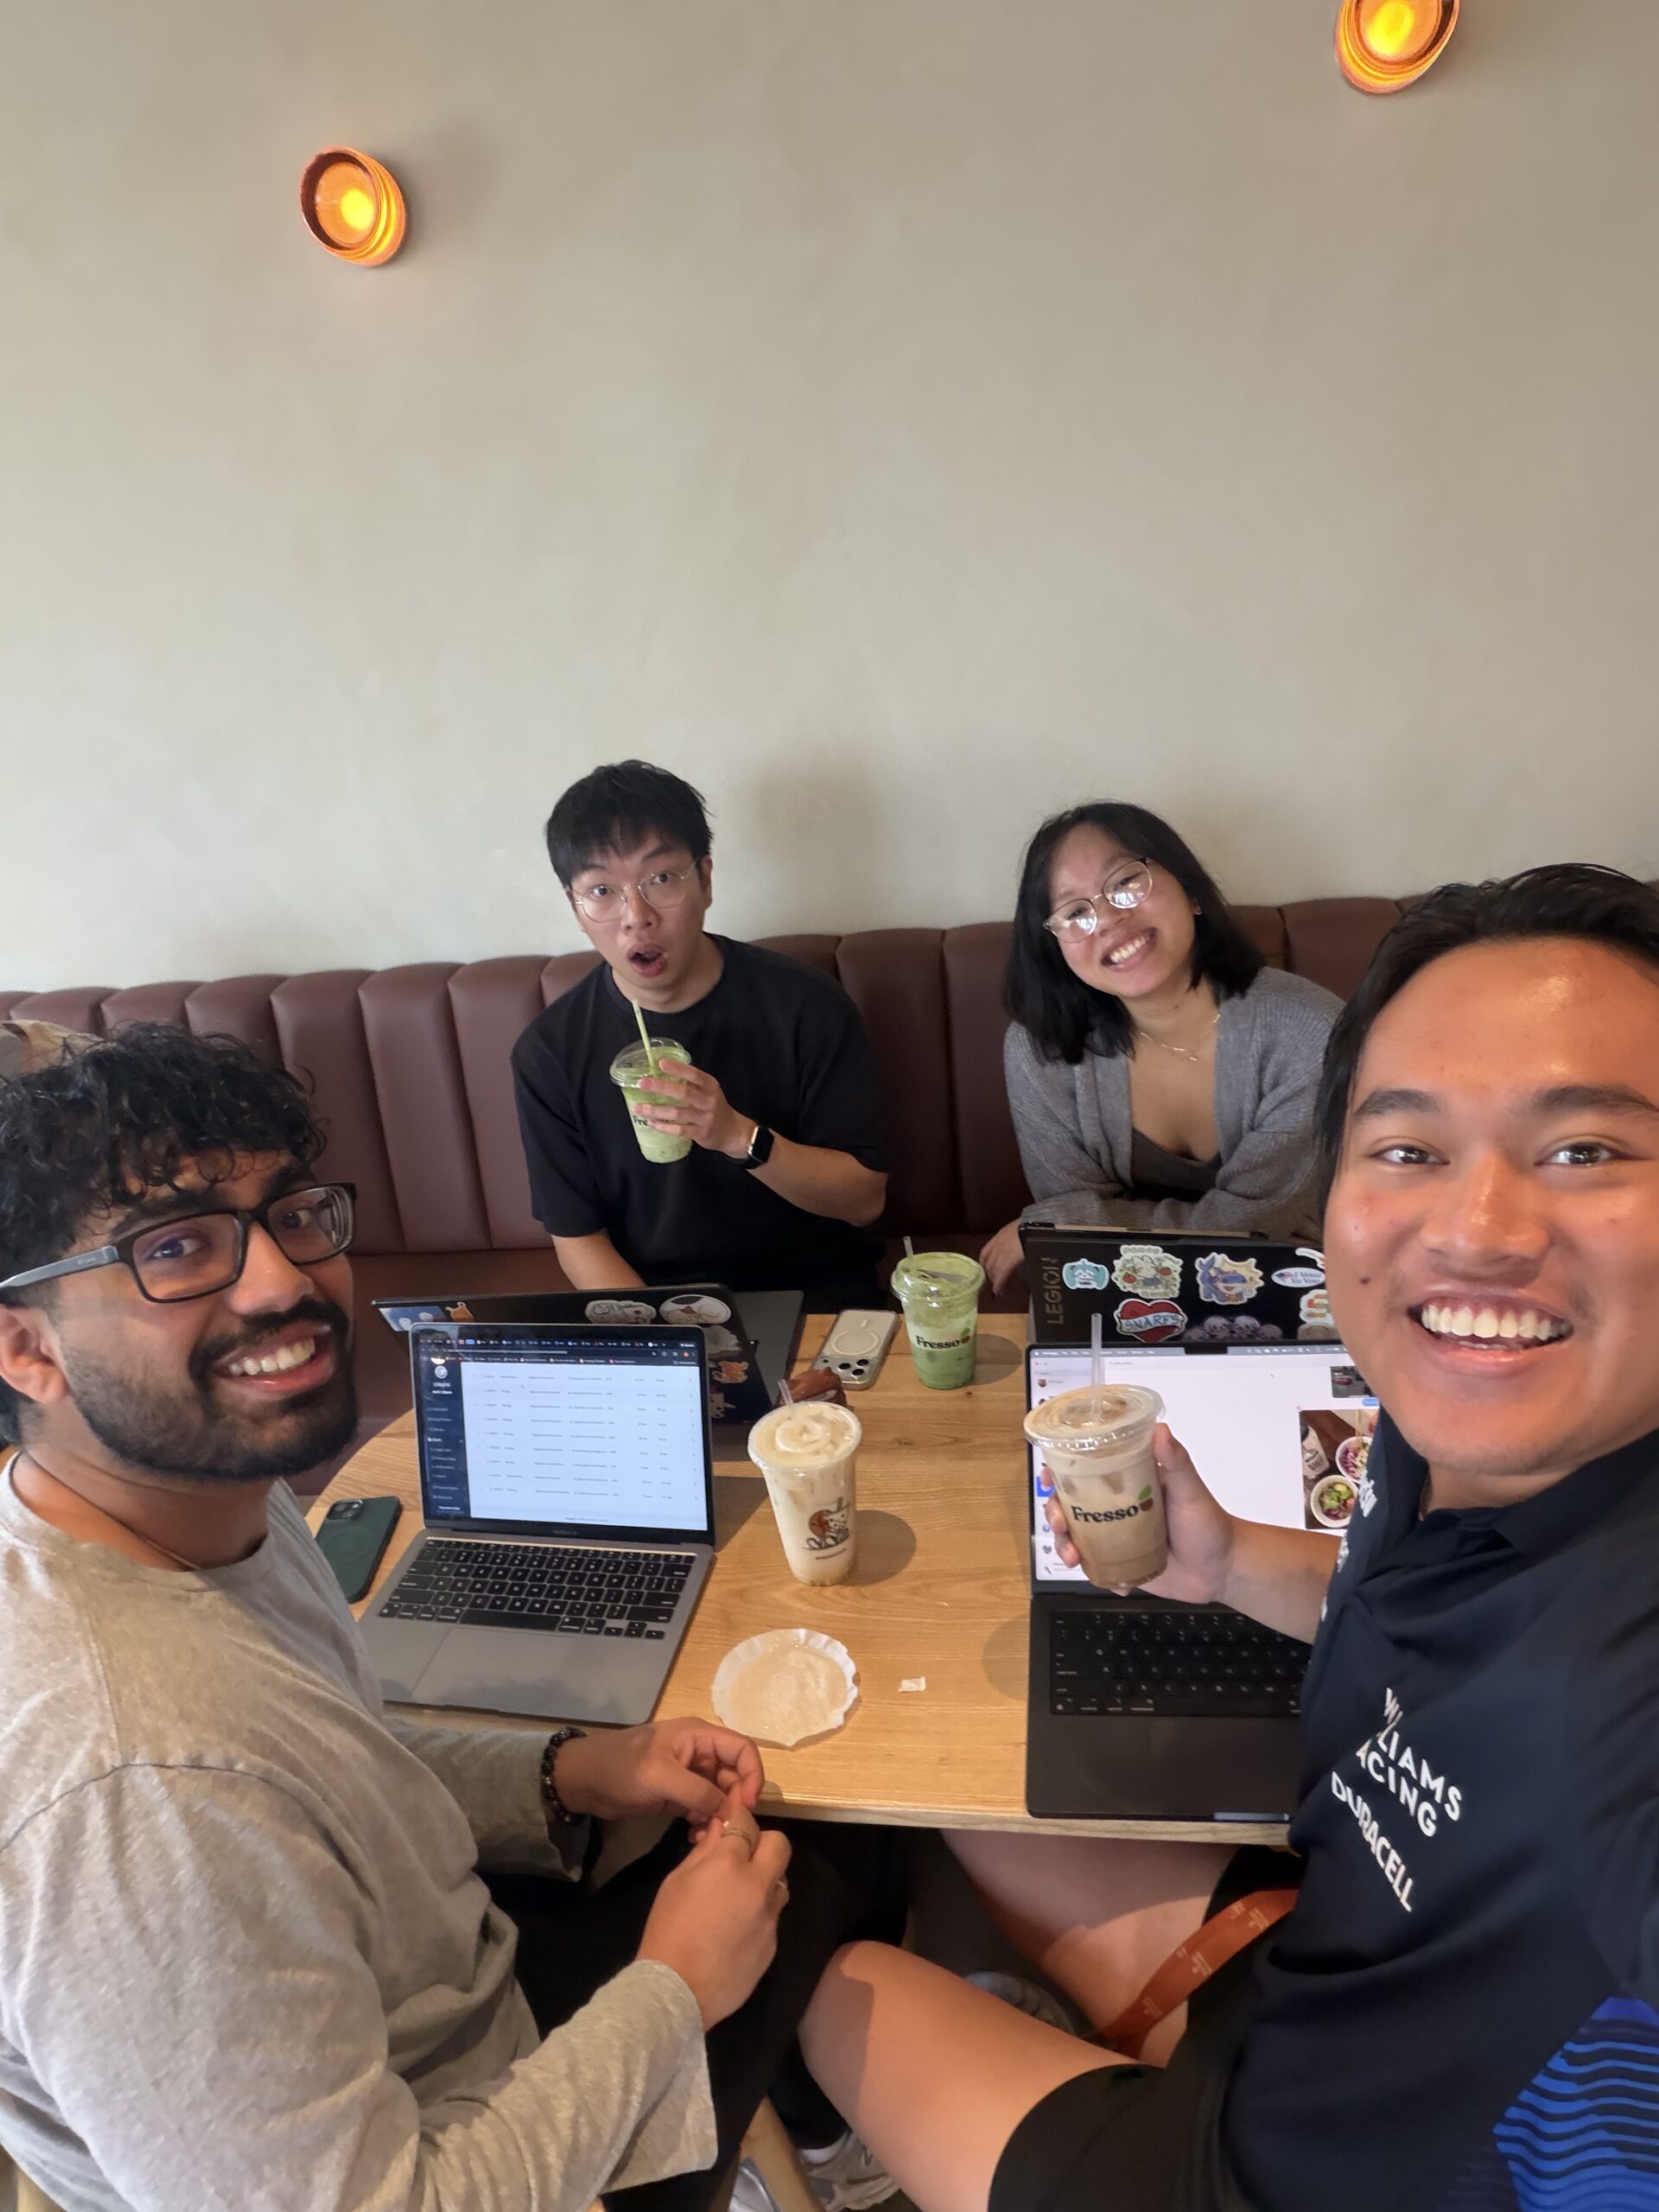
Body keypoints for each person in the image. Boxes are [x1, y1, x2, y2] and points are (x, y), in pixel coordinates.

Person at [800, 861, 1659, 2212]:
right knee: (965, 1818)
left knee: (827, 1974)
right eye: (1409, 1149)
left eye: (1587, 1150)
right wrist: (1228, 1563)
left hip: (1276, 2180)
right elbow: (1409, 1612)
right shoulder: (1424, 1435)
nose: (1477, 1231)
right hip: (1327, 1974)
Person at [0, 1024, 900, 2212]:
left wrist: (569, 1771)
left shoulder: (210, 1501)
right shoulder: (128, 1796)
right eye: (175, 1247)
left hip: (454, 1986)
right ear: (25, 1347)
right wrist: (676, 1988)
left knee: (807, 1811)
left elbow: (336, 1765)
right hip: (483, 2140)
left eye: (291, 1214)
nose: (280, 1282)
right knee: (848, 1856)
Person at [512, 761, 889, 1302]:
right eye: (602, 890)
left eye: (661, 878)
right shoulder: (549, 1052)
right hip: (662, 1305)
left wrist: (738, 1136)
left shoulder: (807, 1006)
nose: (636, 916)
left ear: (706, 880)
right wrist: (661, 1336)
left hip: (815, 1297)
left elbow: (864, 1200)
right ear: (575, 907)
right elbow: (578, 1239)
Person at [980, 804, 1339, 1296]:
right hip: (1120, 1293)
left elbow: (1259, 1224)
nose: (1108, 919)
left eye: (1126, 882)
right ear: (1056, 947)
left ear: (1191, 892)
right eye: (1076, 912)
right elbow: (1075, 1245)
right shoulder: (1043, 1050)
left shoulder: (1308, 1030)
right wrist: (1070, 1224)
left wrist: (1074, 1220)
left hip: (1294, 1289)